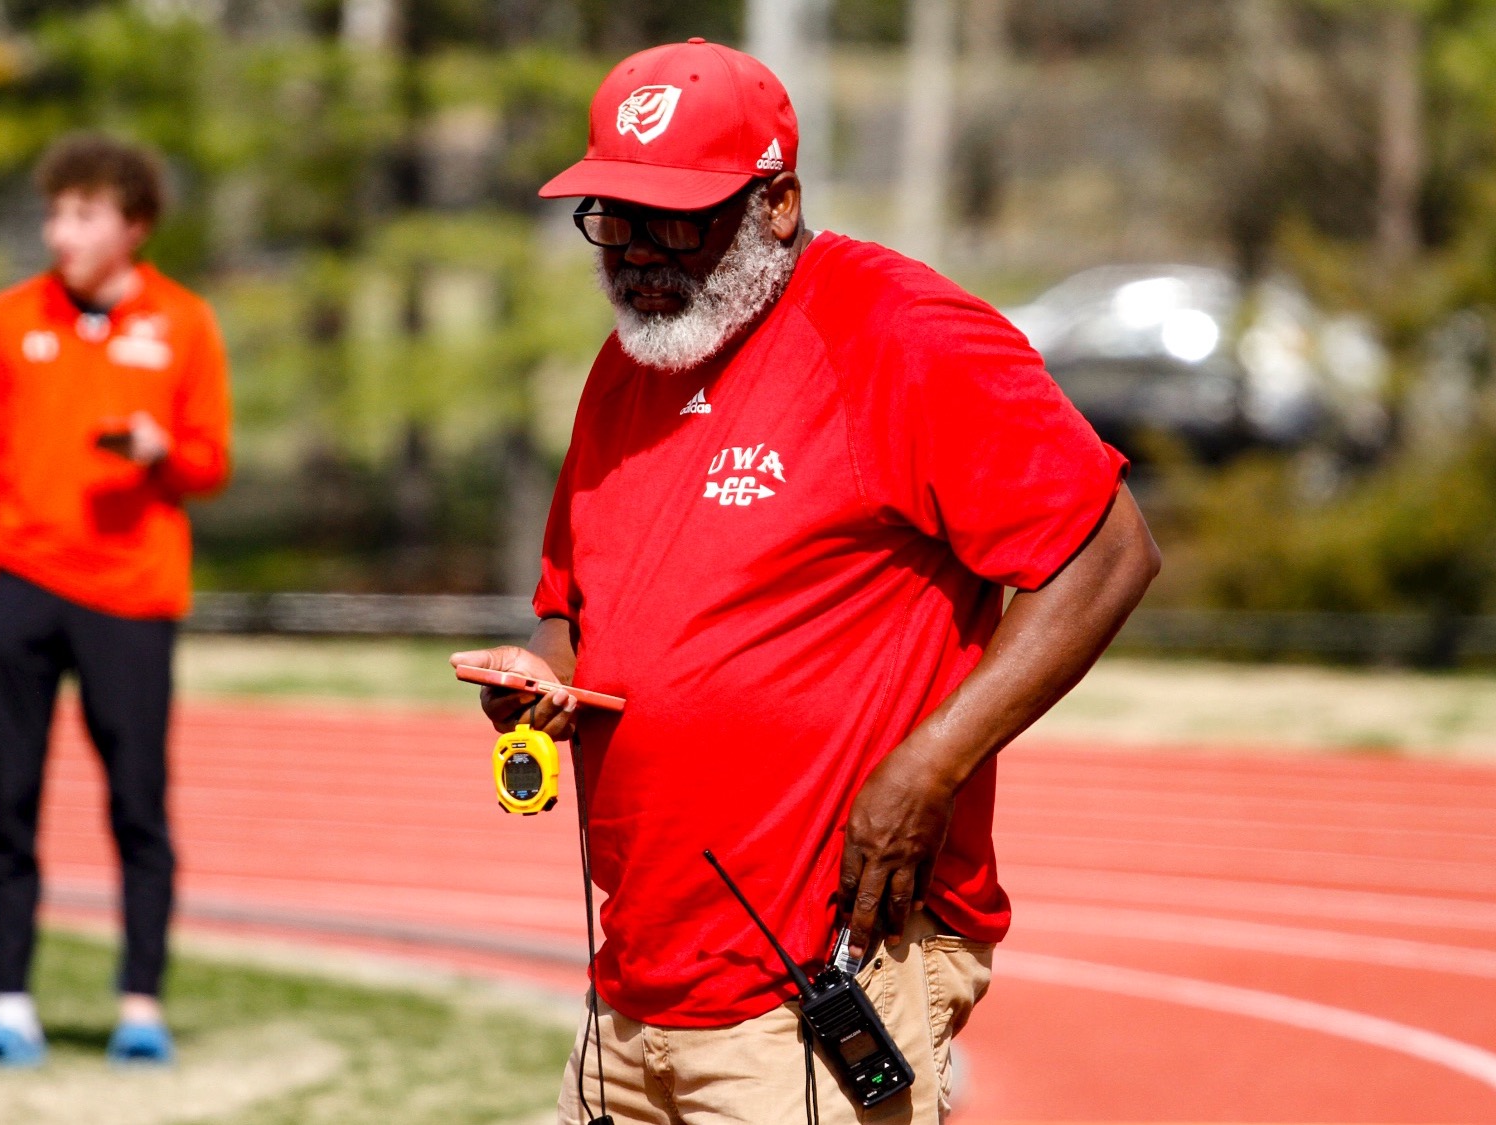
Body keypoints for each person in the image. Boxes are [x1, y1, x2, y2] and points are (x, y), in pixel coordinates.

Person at [452, 38, 1161, 1125]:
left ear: (776, 202)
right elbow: (572, 605)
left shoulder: (900, 331)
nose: (636, 251)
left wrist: (928, 766)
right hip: (639, 984)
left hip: (819, 974)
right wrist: (541, 673)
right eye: (613, 214)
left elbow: (1106, 551)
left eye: (674, 217)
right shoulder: (630, 361)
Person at [0, 132, 231, 1068]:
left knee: (139, 805)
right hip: (18, 592)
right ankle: (8, 1001)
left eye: (83, 213)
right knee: (10, 806)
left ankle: (140, 1005)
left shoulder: (184, 322)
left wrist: (164, 452)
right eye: (54, 211)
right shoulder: (3, 319)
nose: (60, 231)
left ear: (134, 226)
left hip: (131, 597)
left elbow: (212, 460)